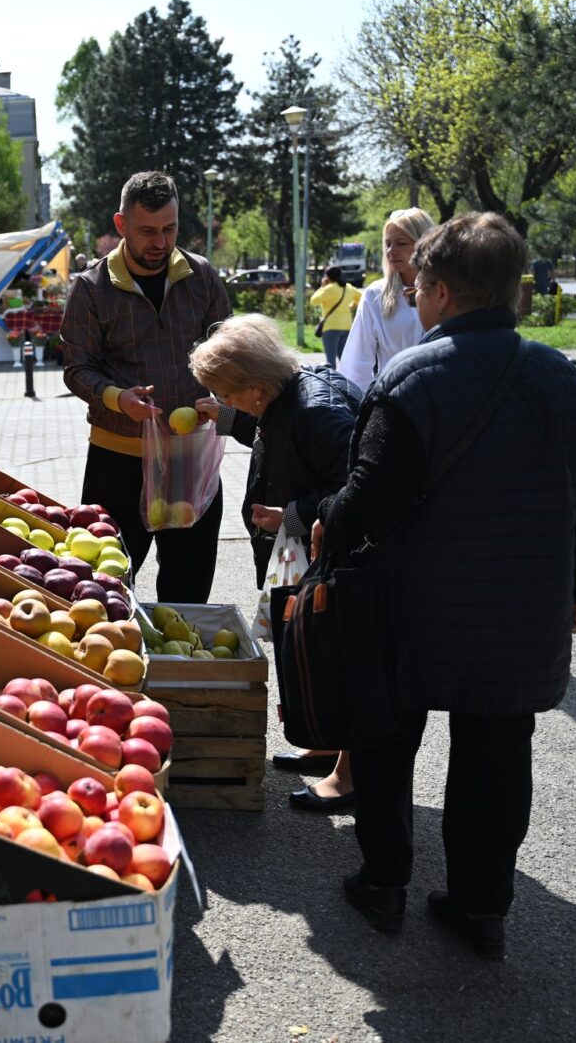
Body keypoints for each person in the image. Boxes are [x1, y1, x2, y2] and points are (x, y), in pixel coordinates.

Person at [313, 212, 576, 959]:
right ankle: (483, 906)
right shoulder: (561, 376)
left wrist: (323, 521)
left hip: (412, 606)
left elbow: (369, 495)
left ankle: (384, 883)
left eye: (417, 289)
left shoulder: (411, 378)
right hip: (520, 608)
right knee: (498, 753)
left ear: (440, 292)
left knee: (384, 739)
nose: (412, 300)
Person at [187, 315, 361, 809]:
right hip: (306, 551)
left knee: (339, 656)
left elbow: (356, 489)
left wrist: (293, 514)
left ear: (257, 388)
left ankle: (350, 776)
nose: (227, 402)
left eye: (228, 395)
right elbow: (269, 430)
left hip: (335, 557)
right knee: (314, 651)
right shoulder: (289, 394)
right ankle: (326, 742)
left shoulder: (315, 412)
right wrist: (223, 418)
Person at [60, 171, 233, 598]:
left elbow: (230, 351)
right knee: (107, 590)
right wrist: (119, 399)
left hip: (188, 461)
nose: (160, 242)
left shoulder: (202, 276)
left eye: (169, 229)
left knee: (189, 591)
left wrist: (224, 402)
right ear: (121, 225)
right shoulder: (90, 287)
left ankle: (181, 667)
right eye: (148, 231)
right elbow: (76, 369)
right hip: (117, 462)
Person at [337, 208, 433, 394]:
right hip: (392, 401)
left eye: (401, 243)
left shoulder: (448, 291)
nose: (391, 251)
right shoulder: (375, 294)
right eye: (387, 244)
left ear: (424, 244)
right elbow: (357, 361)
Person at [309, 265, 362, 369]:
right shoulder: (348, 288)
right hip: (347, 326)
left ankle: (332, 383)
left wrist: (322, 287)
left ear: (328, 277)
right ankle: (346, 382)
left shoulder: (329, 289)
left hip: (331, 327)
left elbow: (313, 301)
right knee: (344, 359)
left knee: (331, 361)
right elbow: (361, 298)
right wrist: (351, 305)